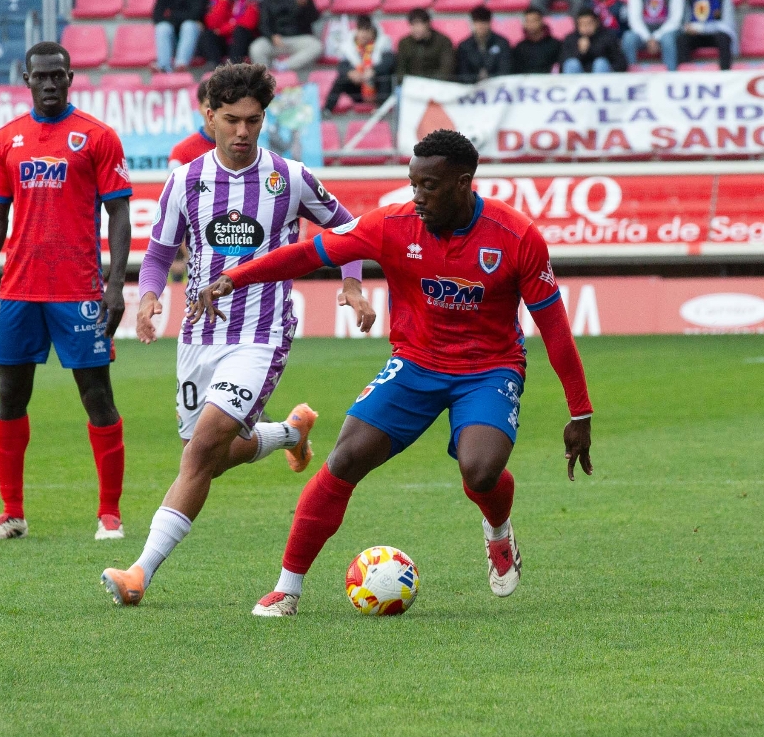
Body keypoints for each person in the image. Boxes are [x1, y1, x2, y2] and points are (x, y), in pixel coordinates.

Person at [191, 129, 595, 617]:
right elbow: (311, 252)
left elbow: (555, 329)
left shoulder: (516, 236)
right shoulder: (391, 224)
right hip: (415, 363)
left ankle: (497, 529)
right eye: (413, 184)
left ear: (463, 182)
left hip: (489, 369)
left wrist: (580, 412)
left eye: (430, 186)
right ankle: (287, 588)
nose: (417, 197)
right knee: (345, 458)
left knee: (481, 471)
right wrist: (235, 276)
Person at [101, 63, 375, 607]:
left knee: (202, 449)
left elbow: (348, 229)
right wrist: (150, 295)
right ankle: (289, 433)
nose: (243, 131)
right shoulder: (185, 180)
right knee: (204, 456)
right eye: (231, 120)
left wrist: (351, 284)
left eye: (253, 120)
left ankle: (139, 574)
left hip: (262, 335)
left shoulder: (289, 177)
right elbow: (157, 254)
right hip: (198, 336)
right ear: (210, 116)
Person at [0, 42, 135, 544]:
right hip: (19, 289)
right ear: (26, 79)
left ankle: (110, 514)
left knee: (97, 396)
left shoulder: (96, 137)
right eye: (41, 76)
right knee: (10, 394)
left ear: (70, 78)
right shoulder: (7, 139)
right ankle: (12, 513)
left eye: (58, 75)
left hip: (79, 290)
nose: (50, 83)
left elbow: (119, 212)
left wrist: (116, 284)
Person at [252, 0, 324, 69]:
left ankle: (284, 66)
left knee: (316, 46)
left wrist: (306, 6)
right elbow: (263, 24)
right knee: (257, 47)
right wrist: (271, 36)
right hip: (277, 41)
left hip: (299, 38)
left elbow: (314, 18)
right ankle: (263, 75)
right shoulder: (267, 0)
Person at [325, 13, 396, 109]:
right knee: (341, 78)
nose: (363, 34)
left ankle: (382, 108)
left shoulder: (383, 42)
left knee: (385, 74)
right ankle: (327, 110)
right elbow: (342, 66)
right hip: (358, 86)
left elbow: (389, 62)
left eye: (367, 30)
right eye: (361, 30)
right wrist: (350, 72)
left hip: (377, 86)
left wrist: (373, 70)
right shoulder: (348, 45)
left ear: (373, 31)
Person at [678, 0, 737, 69]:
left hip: (715, 34)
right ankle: (685, 75)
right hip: (696, 35)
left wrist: (702, 28)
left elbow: (727, 24)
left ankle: (725, 74)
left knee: (724, 38)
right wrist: (688, 28)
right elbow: (685, 21)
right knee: (682, 39)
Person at [197, 0, 261, 64]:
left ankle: (234, 66)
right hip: (222, 41)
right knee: (208, 35)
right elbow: (212, 24)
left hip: (241, 41)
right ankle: (215, 66)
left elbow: (249, 22)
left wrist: (222, 30)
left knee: (241, 31)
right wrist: (223, 1)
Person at [152, 0, 206, 71]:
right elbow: (157, 19)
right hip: (171, 41)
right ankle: (163, 66)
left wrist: (171, 15)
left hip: (193, 44)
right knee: (162, 27)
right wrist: (183, 16)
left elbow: (195, 15)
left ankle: (181, 64)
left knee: (189, 26)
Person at [393, 7, 456, 82]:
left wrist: (427, 82)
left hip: (437, 84)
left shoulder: (443, 41)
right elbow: (400, 69)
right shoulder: (404, 43)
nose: (415, 29)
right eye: (412, 25)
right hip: (412, 84)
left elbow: (446, 70)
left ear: (427, 24)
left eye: (419, 24)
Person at [456, 6, 513, 82]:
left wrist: (489, 78)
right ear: (473, 23)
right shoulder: (464, 46)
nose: (481, 26)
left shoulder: (502, 43)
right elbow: (463, 72)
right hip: (471, 87)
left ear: (489, 22)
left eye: (484, 22)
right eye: (477, 22)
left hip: (497, 86)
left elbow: (505, 69)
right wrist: (475, 79)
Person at [560, 7, 626, 72]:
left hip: (603, 73)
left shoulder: (607, 37)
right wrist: (580, 52)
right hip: (579, 73)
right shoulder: (571, 39)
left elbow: (620, 63)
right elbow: (562, 64)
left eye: (589, 23)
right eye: (582, 24)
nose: (586, 27)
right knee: (572, 63)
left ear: (596, 23)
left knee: (600, 63)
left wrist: (590, 48)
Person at [168, 79, 216, 167]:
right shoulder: (181, 152)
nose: (212, 113)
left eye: (217, 107)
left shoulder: (241, 147)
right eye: (208, 106)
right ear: (199, 108)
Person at [513, 8, 563, 73]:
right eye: (527, 21)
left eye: (533, 21)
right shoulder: (520, 47)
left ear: (541, 21)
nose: (530, 24)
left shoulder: (555, 44)